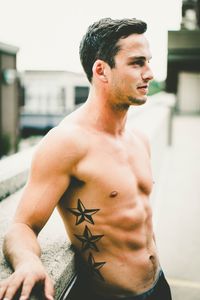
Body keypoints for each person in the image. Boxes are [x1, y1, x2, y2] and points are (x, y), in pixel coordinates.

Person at [0, 17, 172, 300]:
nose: (150, 73)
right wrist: (29, 262)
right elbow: (21, 226)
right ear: (101, 70)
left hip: (159, 284)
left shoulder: (138, 139)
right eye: (137, 63)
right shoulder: (67, 143)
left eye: (149, 61)